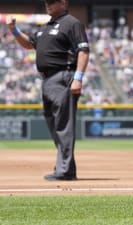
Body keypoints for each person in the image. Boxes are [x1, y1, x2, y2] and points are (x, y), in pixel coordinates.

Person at [6, 0, 90, 181]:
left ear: (63, 3)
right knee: (54, 126)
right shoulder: (45, 27)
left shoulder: (72, 23)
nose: (48, 5)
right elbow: (29, 44)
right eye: (47, 2)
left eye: (53, 2)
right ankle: (65, 167)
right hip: (47, 80)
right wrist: (13, 29)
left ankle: (65, 171)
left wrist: (78, 78)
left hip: (63, 77)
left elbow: (83, 50)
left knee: (63, 126)